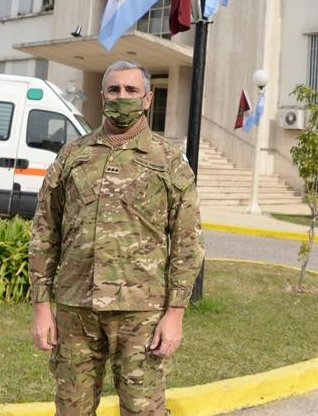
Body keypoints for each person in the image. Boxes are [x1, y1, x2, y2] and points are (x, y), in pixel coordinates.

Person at [29, 60, 204, 416]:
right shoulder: (73, 155)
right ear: (102, 95)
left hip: (141, 312)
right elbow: (45, 232)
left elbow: (187, 242)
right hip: (76, 308)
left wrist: (175, 314)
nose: (121, 97)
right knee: (71, 409)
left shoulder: (169, 161)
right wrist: (41, 307)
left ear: (147, 99)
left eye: (130, 90)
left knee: (143, 410)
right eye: (114, 89)